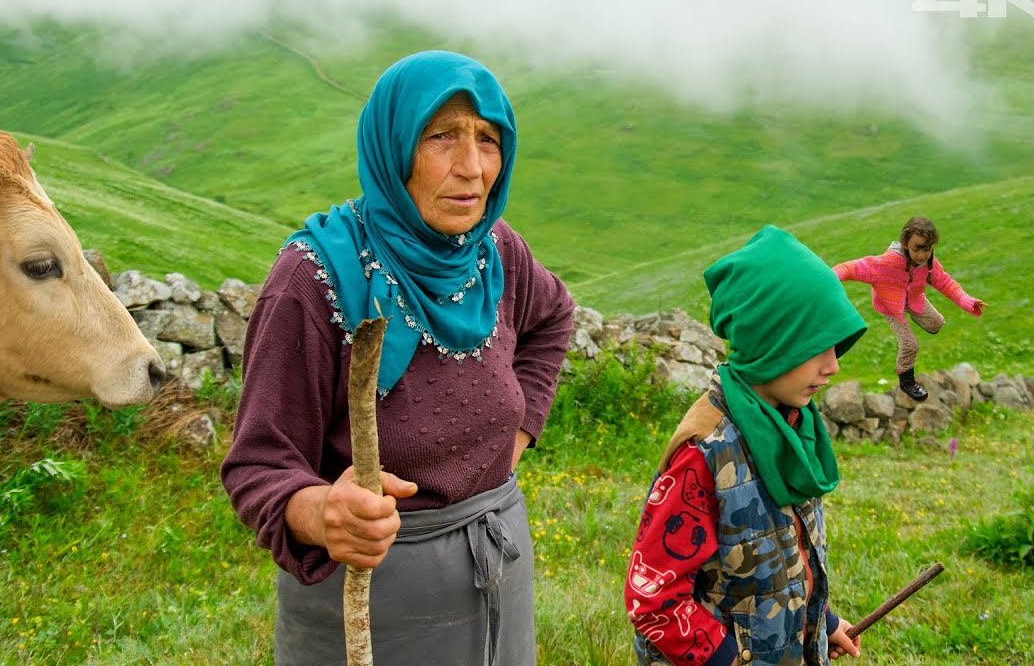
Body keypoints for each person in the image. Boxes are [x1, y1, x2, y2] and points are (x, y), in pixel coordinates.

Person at [221, 50, 574, 665]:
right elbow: (258, 465)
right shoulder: (315, 279)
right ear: (393, 146)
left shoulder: (494, 250)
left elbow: (553, 316)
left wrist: (517, 434)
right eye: (440, 137)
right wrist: (322, 513)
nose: (472, 168)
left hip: (498, 576)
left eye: (488, 140)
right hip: (369, 612)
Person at [624, 226, 866, 666]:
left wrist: (822, 623)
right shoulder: (705, 453)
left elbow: (787, 560)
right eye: (817, 347)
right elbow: (653, 598)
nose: (833, 365)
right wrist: (728, 659)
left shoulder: (792, 427)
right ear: (770, 342)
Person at [831, 216, 986, 401]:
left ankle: (915, 315)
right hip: (890, 304)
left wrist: (968, 301)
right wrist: (830, 277)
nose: (921, 255)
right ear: (905, 243)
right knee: (910, 345)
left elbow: (947, 284)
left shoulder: (929, 265)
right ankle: (907, 381)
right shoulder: (887, 263)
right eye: (916, 249)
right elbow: (851, 268)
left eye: (926, 249)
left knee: (936, 324)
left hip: (913, 298)